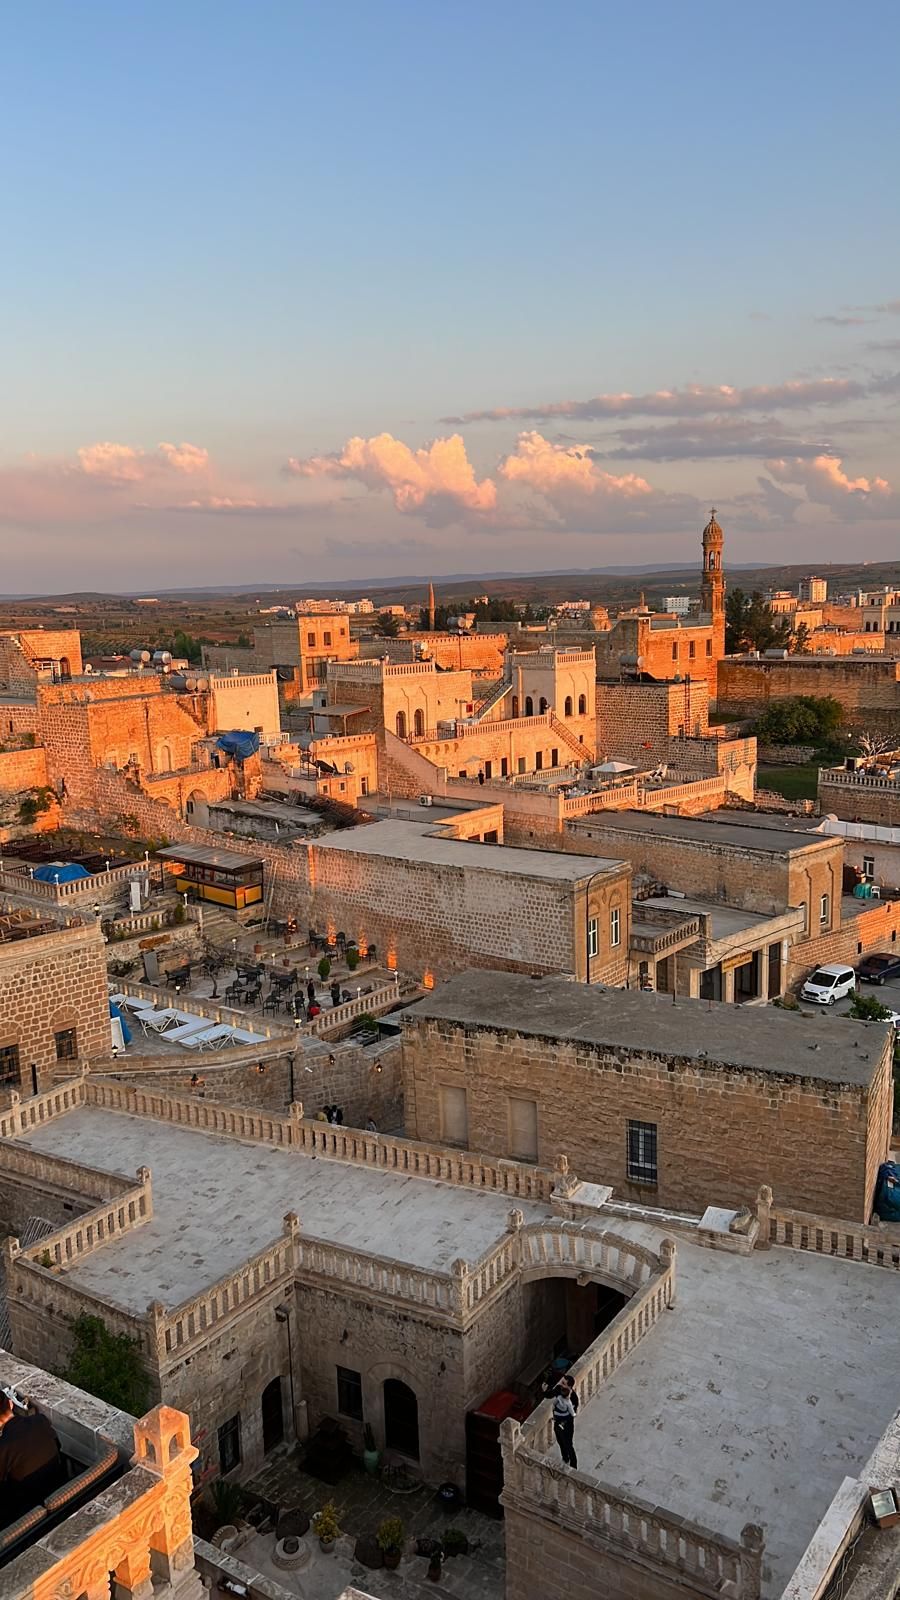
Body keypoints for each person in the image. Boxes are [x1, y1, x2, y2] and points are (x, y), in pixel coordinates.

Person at [0, 1393, 63, 1524]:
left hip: (27, 1515)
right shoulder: (40, 1421)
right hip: (60, 1487)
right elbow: (58, 1446)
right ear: (11, 1404)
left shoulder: (3, 1449)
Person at [546, 1374, 578, 1468]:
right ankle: (565, 1458)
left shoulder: (573, 1398)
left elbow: (572, 1415)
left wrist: (562, 1423)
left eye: (563, 1383)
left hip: (567, 1424)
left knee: (568, 1444)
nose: (561, 1384)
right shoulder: (559, 1389)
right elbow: (550, 1395)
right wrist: (544, 1391)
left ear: (569, 1386)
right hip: (557, 1421)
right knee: (560, 1441)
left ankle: (573, 1465)